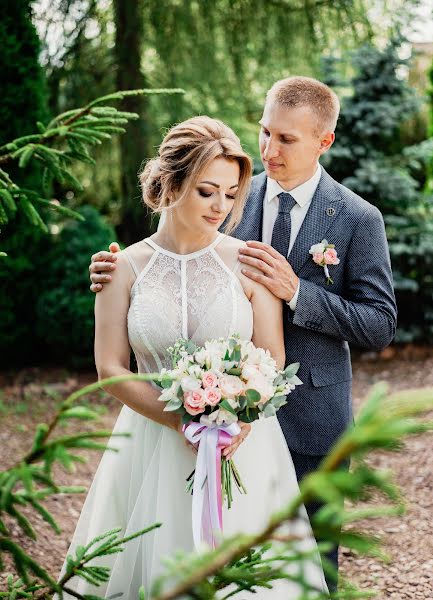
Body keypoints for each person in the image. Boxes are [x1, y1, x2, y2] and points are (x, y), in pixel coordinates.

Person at [90, 77, 397, 591]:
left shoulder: (356, 219)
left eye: (287, 140)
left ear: (325, 142)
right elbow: (173, 260)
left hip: (310, 419)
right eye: (265, 132)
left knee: (305, 568)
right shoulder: (227, 190)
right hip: (196, 413)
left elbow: (380, 323)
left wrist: (299, 292)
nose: (270, 150)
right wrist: (113, 277)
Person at [59, 115, 328, 598]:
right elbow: (110, 370)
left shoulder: (250, 261)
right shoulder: (119, 268)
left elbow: (271, 360)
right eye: (208, 191)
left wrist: (236, 424)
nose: (221, 206)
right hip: (149, 444)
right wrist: (181, 420)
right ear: (172, 182)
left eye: (231, 194)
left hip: (244, 449)